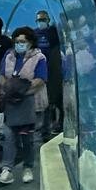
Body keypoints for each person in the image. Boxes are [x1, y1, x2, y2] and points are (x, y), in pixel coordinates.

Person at [0, 27, 48, 186]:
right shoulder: (9, 56)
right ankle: (7, 169)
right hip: (11, 103)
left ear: (30, 42)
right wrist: (9, 89)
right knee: (8, 136)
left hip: (30, 102)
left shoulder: (39, 58)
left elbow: (40, 80)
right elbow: (1, 75)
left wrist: (21, 90)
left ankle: (28, 167)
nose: (19, 44)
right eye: (17, 41)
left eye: (23, 41)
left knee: (28, 138)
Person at [34, 9, 63, 138]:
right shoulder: (34, 33)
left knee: (56, 98)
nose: (41, 22)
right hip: (40, 71)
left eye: (43, 19)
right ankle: (46, 126)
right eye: (39, 20)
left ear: (48, 20)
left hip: (54, 69)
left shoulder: (54, 32)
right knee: (44, 100)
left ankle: (59, 123)